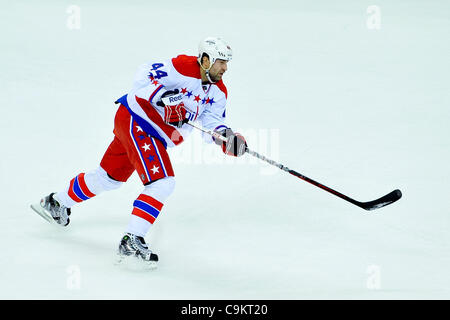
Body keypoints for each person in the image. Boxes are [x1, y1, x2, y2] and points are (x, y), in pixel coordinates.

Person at [31, 37, 248, 266]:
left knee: (108, 179)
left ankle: (55, 203)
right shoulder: (183, 67)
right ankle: (132, 241)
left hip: (141, 126)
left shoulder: (219, 92)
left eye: (227, 63)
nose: (225, 68)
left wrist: (227, 139)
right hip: (140, 121)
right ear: (206, 59)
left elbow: (211, 124)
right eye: (221, 62)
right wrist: (162, 98)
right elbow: (144, 74)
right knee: (162, 182)